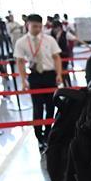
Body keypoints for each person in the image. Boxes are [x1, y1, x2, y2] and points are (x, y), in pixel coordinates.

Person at [14, 14, 62, 151]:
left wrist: (59, 74)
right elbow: (20, 61)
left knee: (51, 106)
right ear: (27, 25)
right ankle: (39, 136)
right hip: (35, 76)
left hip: (49, 75)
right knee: (38, 107)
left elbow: (56, 57)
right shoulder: (21, 42)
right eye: (34, 26)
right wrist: (23, 80)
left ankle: (48, 133)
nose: (37, 29)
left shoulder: (49, 39)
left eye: (40, 26)